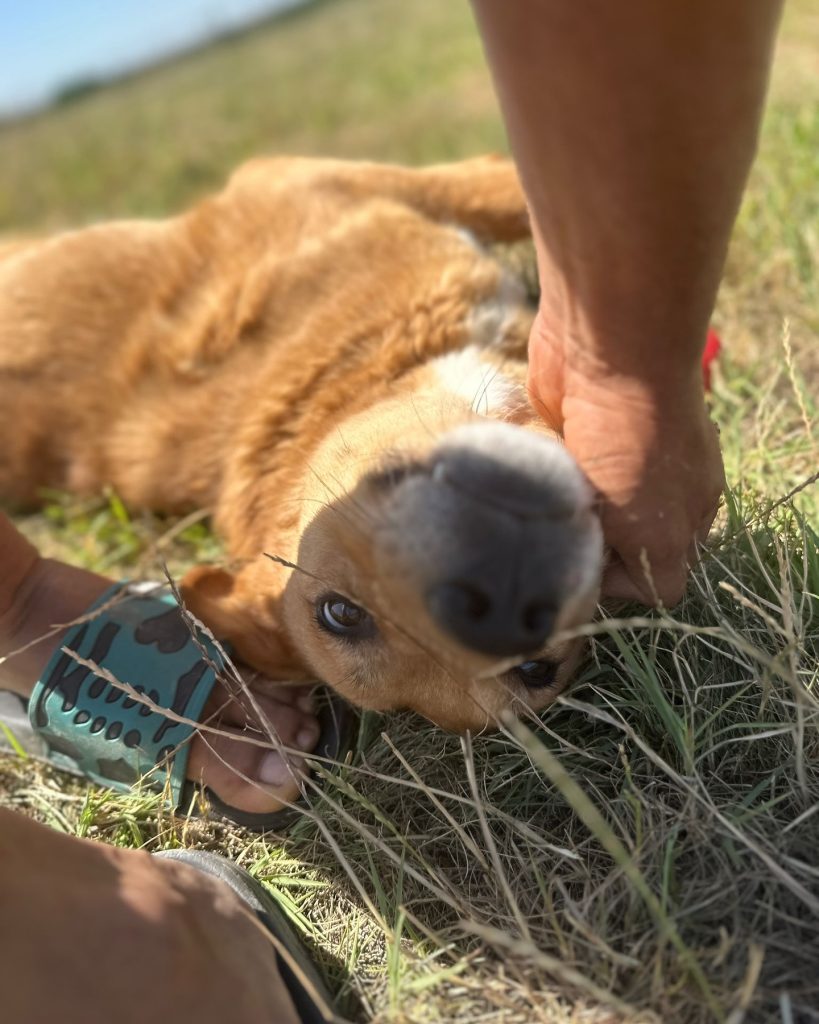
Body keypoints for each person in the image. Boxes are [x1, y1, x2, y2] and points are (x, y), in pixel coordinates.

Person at [0, 1, 784, 1019]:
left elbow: (288, 189)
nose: (481, 602)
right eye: (531, 661)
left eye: (343, 615)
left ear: (264, 565)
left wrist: (19, 601)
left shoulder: (300, 300)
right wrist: (626, 370)